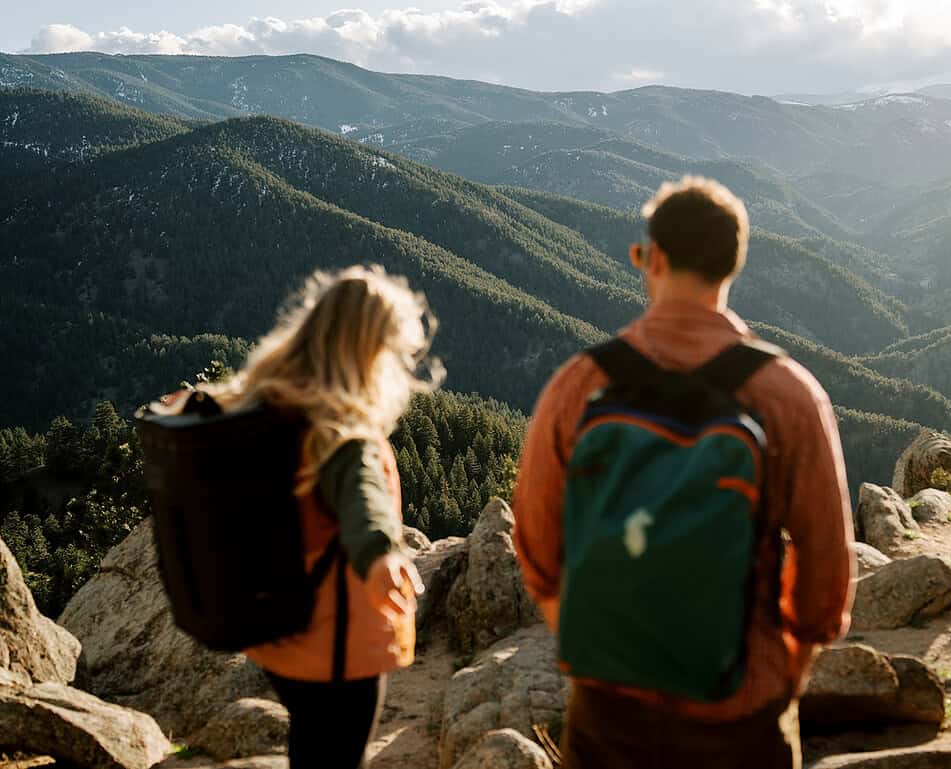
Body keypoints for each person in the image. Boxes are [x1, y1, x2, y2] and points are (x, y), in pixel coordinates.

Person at [512, 176, 856, 769]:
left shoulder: (580, 386)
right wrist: (780, 670)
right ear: (732, 267)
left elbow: (538, 550)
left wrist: (603, 651)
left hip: (608, 718)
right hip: (740, 720)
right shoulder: (789, 395)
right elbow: (825, 575)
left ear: (654, 259)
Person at [193, 265, 442, 768]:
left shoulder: (264, 402)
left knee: (310, 742)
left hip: (277, 630)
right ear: (371, 352)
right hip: (336, 646)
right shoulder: (345, 436)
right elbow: (365, 500)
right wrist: (379, 557)